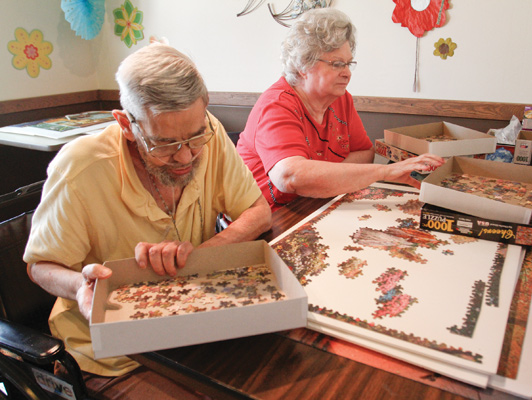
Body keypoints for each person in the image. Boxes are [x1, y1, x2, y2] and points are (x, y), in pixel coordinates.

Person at [23, 43, 271, 399]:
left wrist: (199, 255)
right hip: (112, 356)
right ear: (126, 125)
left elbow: (258, 212)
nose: (186, 156)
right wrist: (80, 287)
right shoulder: (79, 167)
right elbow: (40, 266)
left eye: (194, 136)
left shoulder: (209, 133)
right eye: (164, 144)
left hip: (192, 329)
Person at [236, 9, 444, 211]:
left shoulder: (341, 100)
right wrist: (385, 171)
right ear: (303, 66)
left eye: (349, 64)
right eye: (337, 64)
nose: (347, 74)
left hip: (315, 206)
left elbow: (364, 153)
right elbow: (290, 177)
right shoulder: (277, 104)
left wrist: (319, 175)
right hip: (265, 220)